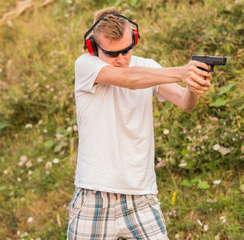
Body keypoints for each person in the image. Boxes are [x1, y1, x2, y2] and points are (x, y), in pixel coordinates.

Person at [67, 7, 212, 240]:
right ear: (93, 47)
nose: (122, 58)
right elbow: (129, 79)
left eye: (126, 50)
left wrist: (193, 87)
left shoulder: (150, 68)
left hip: (141, 196)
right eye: (112, 54)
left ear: (134, 40)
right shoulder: (85, 64)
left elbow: (185, 103)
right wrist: (182, 72)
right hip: (94, 195)